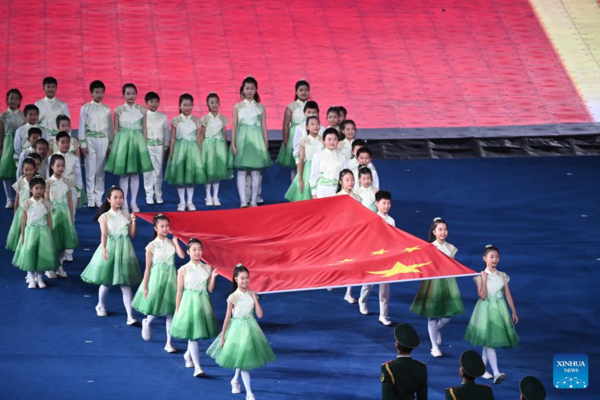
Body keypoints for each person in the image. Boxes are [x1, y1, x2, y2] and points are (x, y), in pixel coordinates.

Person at [207, 264, 276, 400]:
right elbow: (227, 318)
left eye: (247, 278)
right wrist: (223, 337)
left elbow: (260, 315)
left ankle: (235, 380)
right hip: (237, 330)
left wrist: (256, 299)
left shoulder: (251, 294)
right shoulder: (233, 297)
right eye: (242, 278)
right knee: (244, 361)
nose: (245, 281)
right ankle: (250, 393)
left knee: (243, 358)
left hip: (251, 330)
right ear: (236, 279)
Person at [80, 187, 142, 325]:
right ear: (109, 199)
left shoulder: (126, 215)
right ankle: (100, 304)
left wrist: (134, 222)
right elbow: (104, 234)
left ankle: (130, 315)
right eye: (115, 197)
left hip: (125, 249)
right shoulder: (104, 216)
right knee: (107, 281)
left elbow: (132, 234)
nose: (119, 200)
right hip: (111, 248)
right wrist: (103, 248)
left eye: (121, 197)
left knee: (125, 284)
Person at [464, 245, 519, 384]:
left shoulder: (503, 275)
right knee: (490, 343)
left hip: (499, 310)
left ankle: (481, 370)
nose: (495, 260)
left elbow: (508, 294)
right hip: (485, 311)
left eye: (497, 257)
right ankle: (496, 373)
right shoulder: (479, 277)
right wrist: (483, 278)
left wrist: (514, 311)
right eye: (491, 257)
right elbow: (482, 296)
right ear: (485, 258)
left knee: (488, 342)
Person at [410, 218, 465, 357]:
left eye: (445, 229)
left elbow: (453, 266)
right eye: (440, 230)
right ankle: (434, 347)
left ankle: (437, 329)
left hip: (448, 283)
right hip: (433, 283)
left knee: (448, 315)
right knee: (432, 315)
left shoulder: (451, 248)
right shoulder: (429, 247)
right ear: (434, 232)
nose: (443, 232)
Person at [132, 214, 186, 353]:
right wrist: (145, 286)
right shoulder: (151, 246)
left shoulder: (171, 243)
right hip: (156, 278)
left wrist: (176, 242)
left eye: (167, 226)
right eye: (162, 226)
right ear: (155, 228)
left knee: (170, 311)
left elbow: (182, 256)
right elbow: (148, 268)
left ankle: (169, 342)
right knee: (156, 308)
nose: (165, 229)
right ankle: (147, 322)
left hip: (171, 278)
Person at [170, 238, 219, 377]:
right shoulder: (183, 269)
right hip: (188, 303)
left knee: (195, 333)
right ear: (188, 252)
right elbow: (179, 291)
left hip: (203, 303)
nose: (197, 252)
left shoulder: (207, 268)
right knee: (193, 336)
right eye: (194, 250)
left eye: (199, 249)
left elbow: (210, 289)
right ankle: (198, 367)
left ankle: (188, 354)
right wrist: (178, 309)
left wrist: (213, 277)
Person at [106, 83, 153, 212]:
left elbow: (144, 128)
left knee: (135, 174)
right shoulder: (118, 110)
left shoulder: (142, 110)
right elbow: (115, 129)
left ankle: (134, 202)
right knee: (124, 174)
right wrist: (116, 146)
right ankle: (125, 203)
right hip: (123, 143)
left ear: (136, 94)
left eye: (133, 93)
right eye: (128, 93)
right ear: (124, 95)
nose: (131, 96)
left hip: (137, 143)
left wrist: (143, 145)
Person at [230, 76, 271, 208]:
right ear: (243, 89)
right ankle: (243, 200)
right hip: (242, 140)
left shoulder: (260, 107)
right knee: (241, 172)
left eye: (252, 88)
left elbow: (264, 126)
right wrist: (233, 144)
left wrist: (265, 143)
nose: (249, 91)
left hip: (256, 140)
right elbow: (234, 126)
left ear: (255, 90)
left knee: (256, 172)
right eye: (247, 88)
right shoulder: (237, 107)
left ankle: (253, 200)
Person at [12, 176, 60, 289]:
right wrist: (23, 235)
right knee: (30, 253)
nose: (39, 191)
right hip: (30, 232)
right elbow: (23, 221)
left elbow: (49, 219)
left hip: (43, 232)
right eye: (36, 188)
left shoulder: (47, 203)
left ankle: (39, 277)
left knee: (41, 254)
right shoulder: (27, 203)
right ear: (30, 189)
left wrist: (50, 233)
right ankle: (30, 276)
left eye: (41, 188)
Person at [164, 93, 206, 211]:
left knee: (190, 176)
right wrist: (171, 151)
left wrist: (200, 153)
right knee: (180, 176)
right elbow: (172, 137)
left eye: (189, 105)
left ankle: (190, 201)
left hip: (193, 150)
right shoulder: (175, 121)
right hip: (180, 150)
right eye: (185, 105)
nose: (187, 107)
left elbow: (199, 138)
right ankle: (182, 202)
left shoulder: (197, 121)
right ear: (180, 105)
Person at [359, 190, 393, 326]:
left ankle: (383, 315)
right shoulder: (372, 219)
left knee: (385, 289)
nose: (386, 206)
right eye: (384, 203)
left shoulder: (391, 221)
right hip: (374, 257)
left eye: (389, 203)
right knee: (369, 283)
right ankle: (362, 301)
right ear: (377, 203)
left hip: (387, 258)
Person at [79, 80, 113, 208]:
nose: (99, 94)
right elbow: (81, 126)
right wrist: (83, 144)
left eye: (101, 92)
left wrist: (110, 145)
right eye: (97, 92)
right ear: (91, 93)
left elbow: (110, 127)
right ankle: (90, 197)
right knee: (90, 169)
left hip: (103, 139)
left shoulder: (107, 109)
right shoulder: (86, 108)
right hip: (90, 140)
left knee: (100, 170)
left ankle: (99, 197)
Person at [44, 154, 78, 279]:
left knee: (63, 241)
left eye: (62, 166)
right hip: (53, 214)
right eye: (58, 166)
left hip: (64, 214)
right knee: (52, 241)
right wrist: (48, 217)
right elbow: (46, 201)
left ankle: (60, 265)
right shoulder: (48, 182)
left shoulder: (68, 182)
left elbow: (70, 201)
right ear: (52, 166)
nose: (61, 168)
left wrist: (70, 216)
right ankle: (49, 267)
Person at [199, 92, 231, 206]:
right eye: (212, 102)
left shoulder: (223, 119)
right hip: (208, 146)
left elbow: (224, 134)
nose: (214, 105)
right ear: (207, 104)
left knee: (217, 172)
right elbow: (201, 134)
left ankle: (216, 196)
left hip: (219, 146)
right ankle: (208, 196)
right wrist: (201, 149)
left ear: (219, 103)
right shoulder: (204, 119)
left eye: (216, 102)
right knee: (208, 172)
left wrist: (225, 149)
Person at [381, 323, 428, 400]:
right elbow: (423, 397)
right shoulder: (421, 367)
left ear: (397, 346)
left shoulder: (388, 368)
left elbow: (386, 397)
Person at [284, 116, 323, 202]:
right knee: (306, 195)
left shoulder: (323, 140)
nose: (315, 126)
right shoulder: (303, 141)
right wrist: (300, 179)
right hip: (308, 170)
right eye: (312, 124)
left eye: (317, 124)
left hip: (321, 169)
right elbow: (301, 159)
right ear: (307, 127)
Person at [276, 80, 310, 179]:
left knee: (307, 164)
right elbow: (286, 125)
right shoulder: (292, 106)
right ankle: (295, 191)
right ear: (296, 92)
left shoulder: (311, 105)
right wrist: (286, 141)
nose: (304, 92)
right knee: (295, 166)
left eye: (306, 90)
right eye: (301, 90)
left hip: (308, 135)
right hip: (294, 136)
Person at [143, 92, 169, 205]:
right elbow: (142, 132)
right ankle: (149, 195)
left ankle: (158, 194)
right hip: (148, 146)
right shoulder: (143, 116)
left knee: (158, 171)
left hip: (159, 146)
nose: (154, 104)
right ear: (146, 103)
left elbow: (166, 133)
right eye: (151, 102)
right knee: (148, 172)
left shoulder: (162, 116)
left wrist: (165, 146)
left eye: (156, 101)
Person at [0, 88, 24, 208]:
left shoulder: (23, 114)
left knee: (21, 170)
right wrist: (0, 148)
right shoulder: (3, 115)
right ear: (7, 100)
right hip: (8, 143)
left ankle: (19, 197)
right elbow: (1, 132)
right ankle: (9, 199)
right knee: (6, 171)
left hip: (20, 143)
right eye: (11, 98)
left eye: (16, 99)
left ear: (20, 101)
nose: (13, 101)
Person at [5, 158, 36, 252]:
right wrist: (15, 211)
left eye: (31, 170)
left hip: (33, 209)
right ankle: (21, 245)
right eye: (26, 170)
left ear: (34, 170)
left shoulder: (37, 180)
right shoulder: (20, 181)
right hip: (22, 210)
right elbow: (17, 198)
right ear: (22, 169)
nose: (28, 172)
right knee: (20, 227)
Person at [309, 128, 348, 198]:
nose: (332, 142)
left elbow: (346, 175)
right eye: (329, 139)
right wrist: (314, 193)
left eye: (335, 139)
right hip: (321, 190)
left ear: (338, 141)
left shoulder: (342, 157)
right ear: (323, 141)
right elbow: (313, 174)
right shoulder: (317, 155)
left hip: (337, 189)